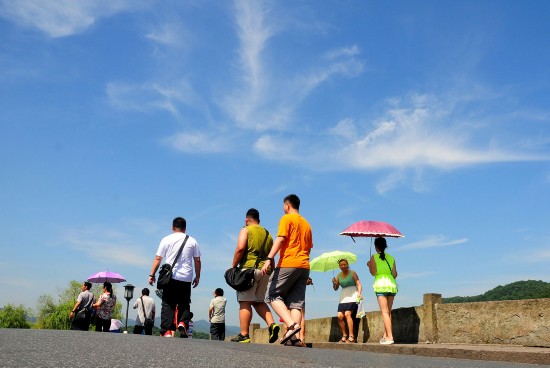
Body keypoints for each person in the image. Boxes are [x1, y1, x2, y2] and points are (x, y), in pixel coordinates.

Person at [261, 194, 313, 347]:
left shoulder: (286, 219)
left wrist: (269, 258)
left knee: (271, 295)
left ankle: (292, 326)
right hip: (304, 266)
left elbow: (281, 238)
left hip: (288, 262)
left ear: (287, 205)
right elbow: (309, 248)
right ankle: (294, 339)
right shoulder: (307, 224)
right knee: (296, 303)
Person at [230, 208, 279, 344]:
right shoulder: (268, 234)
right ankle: (271, 325)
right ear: (259, 220)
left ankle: (244, 335)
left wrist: (233, 266)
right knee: (259, 301)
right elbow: (271, 255)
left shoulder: (246, 230)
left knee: (245, 301)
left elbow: (240, 248)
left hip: (249, 270)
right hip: (265, 271)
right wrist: (272, 272)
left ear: (247, 219)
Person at [148, 217, 201, 338]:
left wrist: (152, 274)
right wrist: (197, 276)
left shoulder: (166, 239)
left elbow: (158, 258)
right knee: (184, 303)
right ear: (185, 228)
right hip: (186, 278)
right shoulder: (192, 241)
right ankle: (183, 322)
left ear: (172, 227)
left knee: (168, 304)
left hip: (170, 277)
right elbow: (197, 260)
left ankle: (166, 330)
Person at [367, 237, 398, 345]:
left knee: (384, 312)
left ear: (376, 246)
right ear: (385, 246)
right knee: (388, 311)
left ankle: (390, 336)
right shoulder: (391, 258)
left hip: (380, 284)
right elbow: (395, 274)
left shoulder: (374, 257)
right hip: (391, 285)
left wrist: (369, 265)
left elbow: (373, 273)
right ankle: (385, 335)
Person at [332, 259, 362, 343]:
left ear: (347, 264)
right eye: (341, 265)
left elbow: (359, 284)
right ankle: (344, 335)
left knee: (347, 314)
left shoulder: (352, 273)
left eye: (344, 264)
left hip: (353, 295)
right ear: (339, 266)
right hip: (343, 296)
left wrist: (359, 293)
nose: (343, 266)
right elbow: (336, 288)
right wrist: (334, 282)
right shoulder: (338, 275)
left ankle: (351, 336)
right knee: (340, 316)